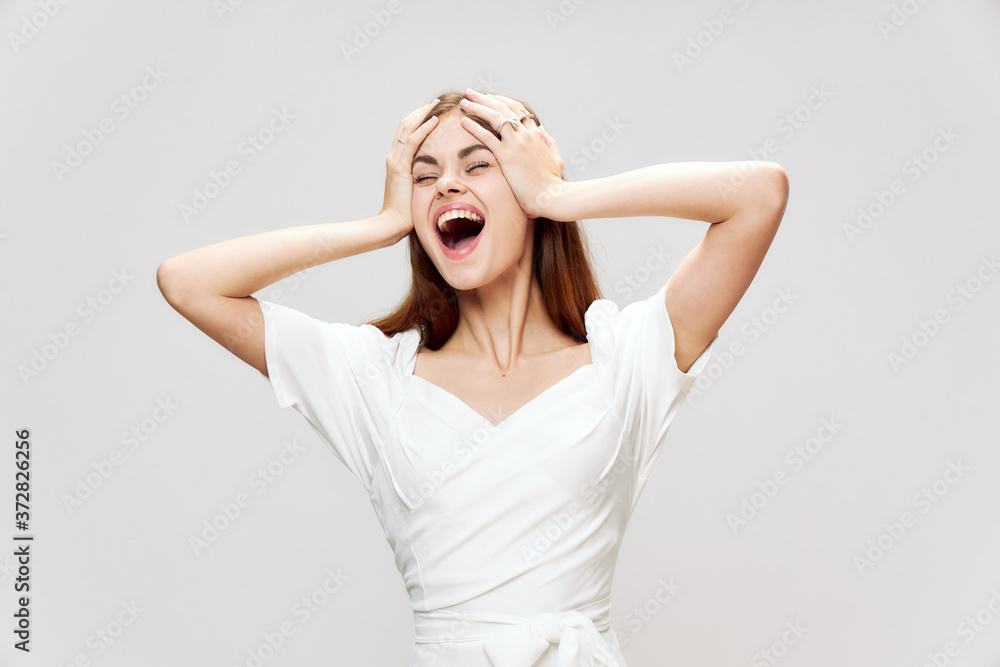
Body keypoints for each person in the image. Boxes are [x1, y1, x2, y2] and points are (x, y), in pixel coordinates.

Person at [157, 88, 789, 666]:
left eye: (479, 164)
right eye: (424, 176)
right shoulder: (374, 379)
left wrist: (560, 196)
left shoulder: (625, 360)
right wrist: (379, 226)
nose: (445, 187)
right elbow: (188, 282)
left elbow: (758, 194)